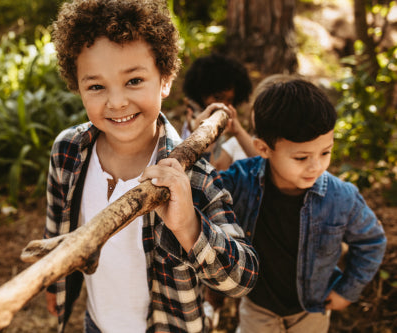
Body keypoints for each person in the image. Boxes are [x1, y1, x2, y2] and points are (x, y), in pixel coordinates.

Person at [44, 1, 259, 332]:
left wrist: (188, 225)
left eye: (133, 81)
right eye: (97, 86)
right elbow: (57, 228)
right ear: (78, 86)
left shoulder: (190, 175)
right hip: (97, 324)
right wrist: (53, 283)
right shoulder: (68, 152)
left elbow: (242, 278)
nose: (116, 102)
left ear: (165, 79)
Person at [212, 79, 387, 332]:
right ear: (263, 148)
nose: (316, 166)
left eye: (325, 152)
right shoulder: (241, 180)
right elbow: (205, 193)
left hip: (311, 310)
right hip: (257, 306)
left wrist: (347, 291)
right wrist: (205, 148)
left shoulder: (342, 198)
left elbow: (372, 242)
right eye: (302, 157)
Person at [180, 54, 256, 170]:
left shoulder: (228, 131)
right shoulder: (194, 120)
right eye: (218, 97)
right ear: (202, 94)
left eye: (229, 100)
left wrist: (237, 131)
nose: (223, 105)